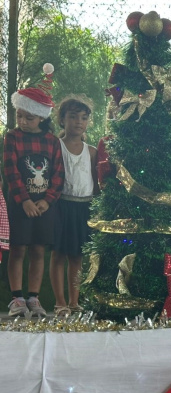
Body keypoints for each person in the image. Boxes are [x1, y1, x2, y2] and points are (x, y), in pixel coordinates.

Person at [4, 65, 64, 317]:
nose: (23, 121)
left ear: (42, 117)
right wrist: (25, 201)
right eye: (19, 116)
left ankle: (34, 298)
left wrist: (47, 201)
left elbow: (59, 175)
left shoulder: (52, 142)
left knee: (39, 250)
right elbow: (10, 171)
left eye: (29, 117)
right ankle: (17, 298)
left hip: (43, 206)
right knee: (18, 249)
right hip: (19, 204)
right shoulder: (12, 137)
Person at [49, 95, 97, 316]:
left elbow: (96, 183)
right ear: (62, 119)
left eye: (84, 117)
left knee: (77, 257)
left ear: (88, 122)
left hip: (83, 208)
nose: (79, 121)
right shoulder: (54, 145)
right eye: (73, 116)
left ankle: (74, 302)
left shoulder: (92, 151)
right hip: (60, 206)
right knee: (58, 255)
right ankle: (60, 303)